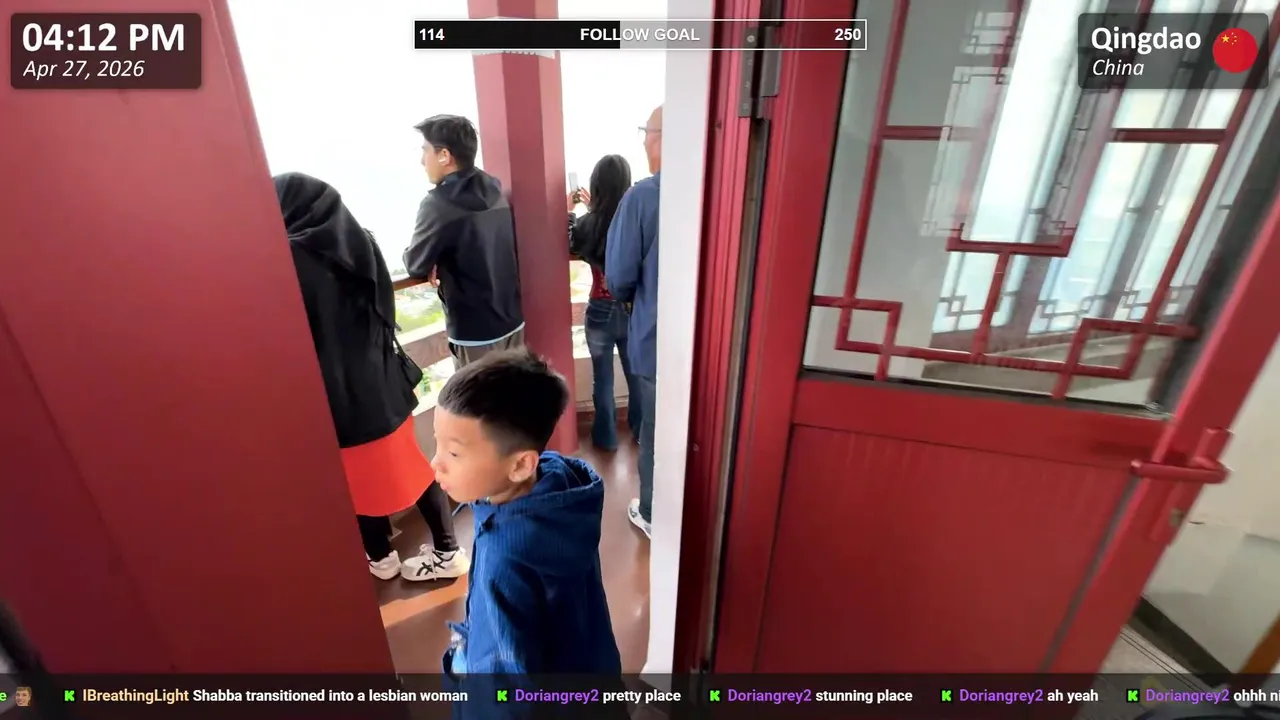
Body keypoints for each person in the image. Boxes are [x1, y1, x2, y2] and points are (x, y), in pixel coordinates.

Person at [273, 173, 469, 582]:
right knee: (412, 468)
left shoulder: (290, 258)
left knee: (356, 482)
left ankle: (384, 558)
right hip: (383, 381)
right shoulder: (360, 240)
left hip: (341, 396)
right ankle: (444, 550)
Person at [432, 350, 621, 688]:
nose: (436, 463)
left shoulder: (504, 560)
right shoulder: (561, 492)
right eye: (438, 444)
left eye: (454, 452)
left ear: (521, 465)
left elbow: (502, 692)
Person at [403, 115, 524, 369]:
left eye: (425, 150)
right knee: (512, 391)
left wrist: (433, 258)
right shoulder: (493, 187)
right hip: (512, 319)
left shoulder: (438, 204)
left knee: (476, 395)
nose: (422, 160)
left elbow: (415, 264)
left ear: (444, 156)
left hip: (475, 332)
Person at [606, 106, 663, 539]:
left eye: (646, 131)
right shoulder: (718, 186)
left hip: (657, 338)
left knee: (656, 431)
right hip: (717, 345)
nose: (644, 140)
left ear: (659, 138)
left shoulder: (643, 197)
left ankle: (652, 512)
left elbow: (620, 278)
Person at [567, 154, 641, 451]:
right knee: (635, 374)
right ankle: (640, 430)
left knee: (603, 378)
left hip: (599, 309)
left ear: (595, 185)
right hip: (631, 309)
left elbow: (573, 240)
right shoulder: (633, 220)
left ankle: (606, 437)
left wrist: (572, 211)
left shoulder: (589, 224)